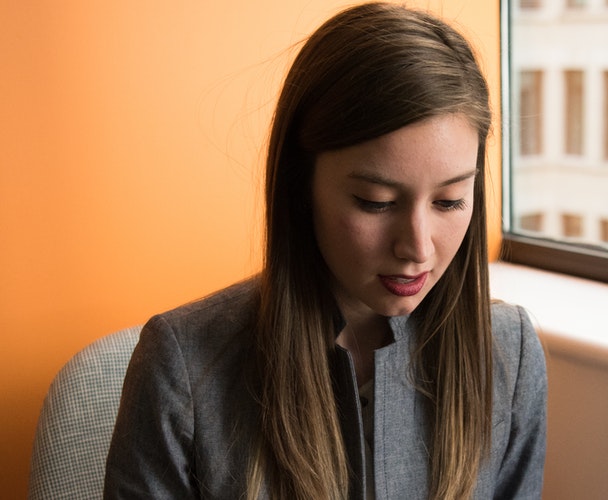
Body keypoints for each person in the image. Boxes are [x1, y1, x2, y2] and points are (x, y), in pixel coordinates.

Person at [103, 2, 547, 499]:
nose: (418, 247)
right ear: (301, 183)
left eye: (449, 201)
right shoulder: (182, 368)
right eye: (375, 202)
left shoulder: (509, 354)